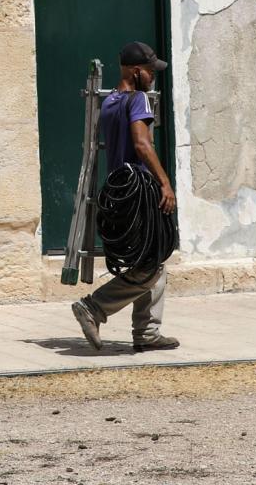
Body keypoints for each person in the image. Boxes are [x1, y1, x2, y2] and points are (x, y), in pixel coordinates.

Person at [72, 42, 180, 353]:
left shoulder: (110, 102)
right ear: (136, 72)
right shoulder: (139, 99)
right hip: (141, 192)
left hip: (119, 190)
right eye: (150, 71)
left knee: (151, 257)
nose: (153, 76)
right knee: (150, 266)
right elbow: (142, 144)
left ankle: (146, 332)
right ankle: (95, 307)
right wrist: (165, 182)